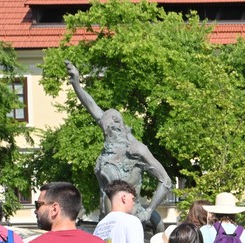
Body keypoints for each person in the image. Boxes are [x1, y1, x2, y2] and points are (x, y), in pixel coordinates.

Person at [65, 60, 172, 231]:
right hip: (106, 220)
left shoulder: (136, 150)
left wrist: (149, 211)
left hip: (130, 221)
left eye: (107, 130)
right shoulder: (110, 137)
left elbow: (166, 181)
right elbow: (91, 106)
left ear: (116, 128)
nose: (104, 133)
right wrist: (76, 84)